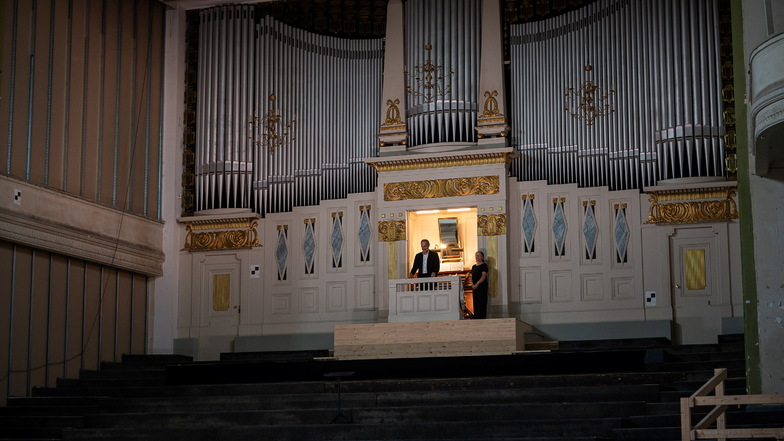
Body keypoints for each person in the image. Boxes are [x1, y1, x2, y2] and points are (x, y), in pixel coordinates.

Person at [470, 251, 489, 319]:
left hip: (481, 286)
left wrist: (477, 284)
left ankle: (481, 317)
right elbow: (471, 276)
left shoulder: (484, 265)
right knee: (476, 301)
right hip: (475, 286)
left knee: (481, 301)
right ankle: (476, 316)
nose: (477, 257)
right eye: (476, 255)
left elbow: (483, 276)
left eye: (479, 255)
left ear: (482, 257)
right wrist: (472, 284)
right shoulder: (473, 266)